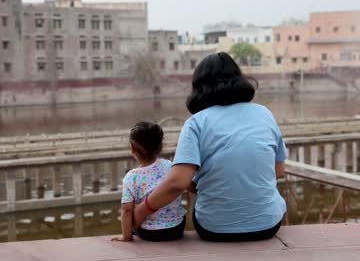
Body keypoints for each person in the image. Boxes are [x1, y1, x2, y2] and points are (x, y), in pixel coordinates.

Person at [133, 52, 287, 242]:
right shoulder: (264, 114)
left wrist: (140, 211)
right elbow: (278, 170)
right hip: (268, 225)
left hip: (214, 229)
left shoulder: (196, 123)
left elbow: (177, 183)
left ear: (199, 86)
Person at [111, 121, 186, 242]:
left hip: (149, 233)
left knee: (134, 221)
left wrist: (126, 236)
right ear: (161, 146)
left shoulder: (131, 177)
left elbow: (126, 209)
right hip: (176, 228)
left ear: (132, 149)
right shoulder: (169, 166)